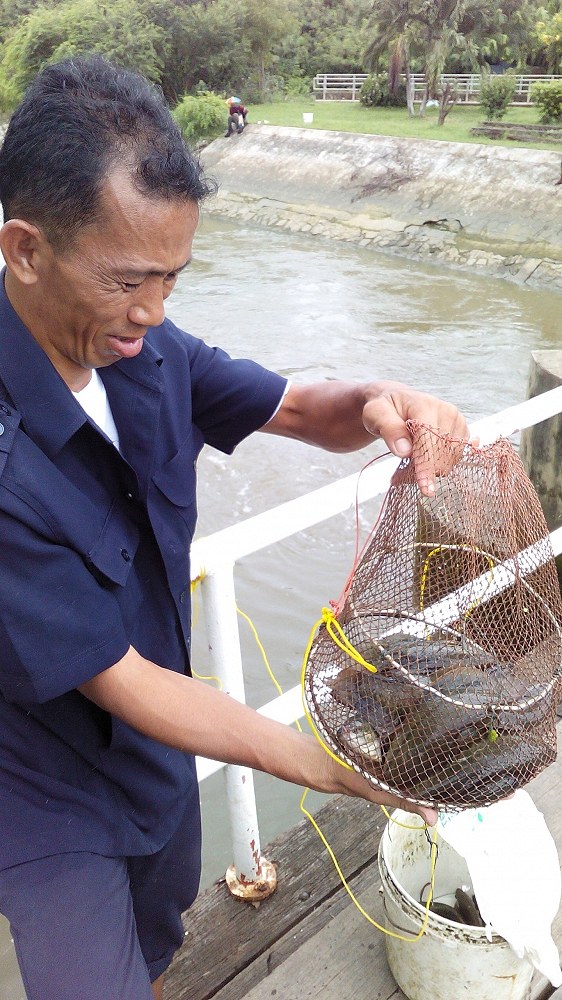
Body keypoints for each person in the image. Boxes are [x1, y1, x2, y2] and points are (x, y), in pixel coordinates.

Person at [0, 56, 468, 1000]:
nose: (154, 314)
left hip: (163, 746)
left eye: (173, 278)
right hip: (44, 778)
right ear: (25, 249)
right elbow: (117, 679)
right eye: (129, 281)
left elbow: (297, 409)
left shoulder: (141, 345)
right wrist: (325, 764)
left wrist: (383, 397)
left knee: (163, 942)